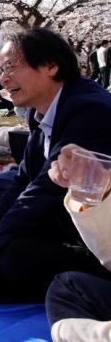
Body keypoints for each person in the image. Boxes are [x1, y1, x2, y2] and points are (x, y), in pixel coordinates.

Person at [0, 27, 111, 304]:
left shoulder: (90, 109)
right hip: (51, 213)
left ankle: (2, 268)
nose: (3, 78)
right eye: (1, 69)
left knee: (15, 258)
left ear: (51, 65)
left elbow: (45, 189)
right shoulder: (40, 111)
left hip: (89, 235)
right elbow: (24, 178)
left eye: (11, 67)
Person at [44, 143, 111, 341]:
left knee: (14, 258)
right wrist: (101, 194)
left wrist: (68, 332)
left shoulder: (85, 115)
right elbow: (24, 180)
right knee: (68, 285)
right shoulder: (41, 123)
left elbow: (37, 194)